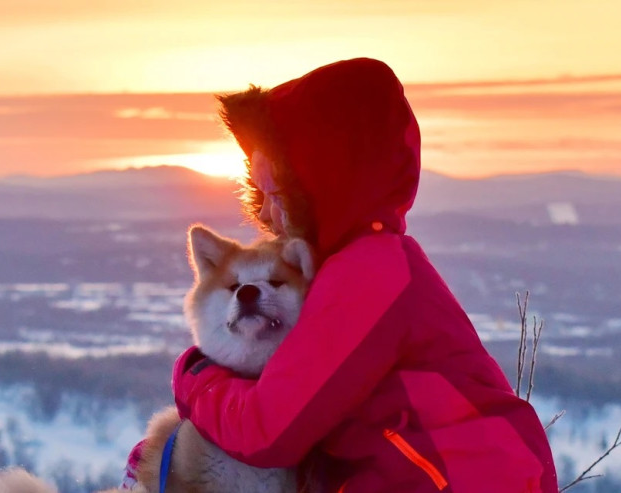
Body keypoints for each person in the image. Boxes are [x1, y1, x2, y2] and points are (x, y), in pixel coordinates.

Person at [172, 58, 558, 492]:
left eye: (275, 192)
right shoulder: (361, 263)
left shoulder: (368, 272)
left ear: (323, 180)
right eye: (257, 193)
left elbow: (267, 431)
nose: (262, 212)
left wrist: (196, 377)